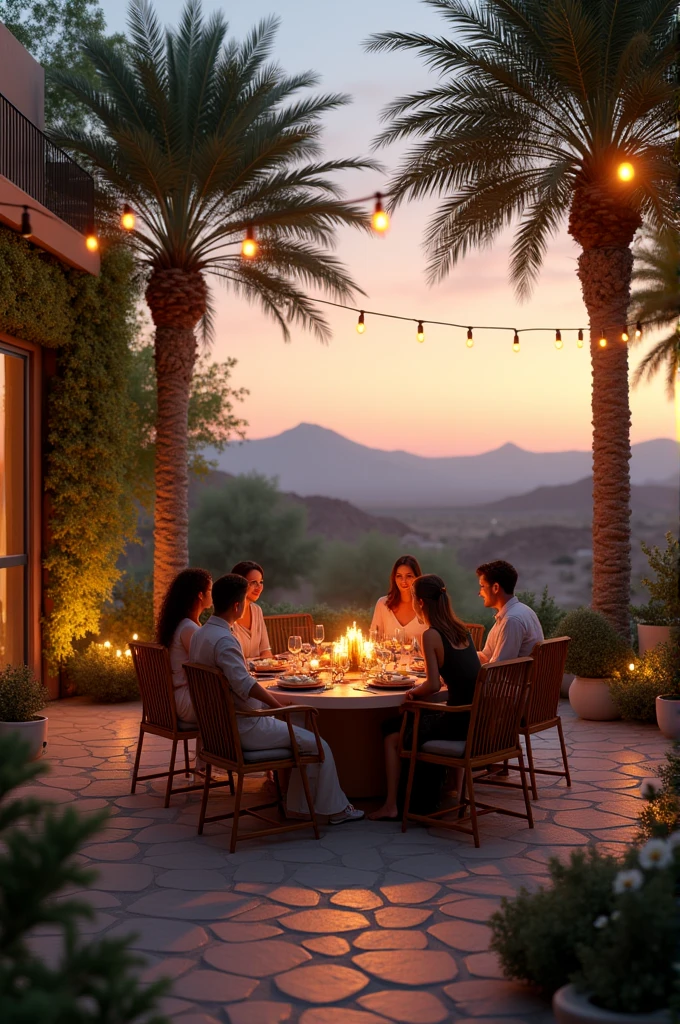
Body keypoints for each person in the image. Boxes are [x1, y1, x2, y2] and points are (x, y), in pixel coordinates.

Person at [189, 573, 364, 824]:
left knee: (300, 722)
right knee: (319, 745)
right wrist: (277, 706)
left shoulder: (201, 634)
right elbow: (245, 684)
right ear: (237, 606)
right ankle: (333, 810)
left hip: (217, 729)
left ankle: (299, 804)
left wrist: (281, 708)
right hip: (244, 727)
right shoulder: (225, 640)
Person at [369, 574, 480, 821]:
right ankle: (454, 788)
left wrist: (410, 694)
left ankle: (390, 805)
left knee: (390, 731)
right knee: (415, 717)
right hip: (474, 718)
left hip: (457, 723)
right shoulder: (462, 630)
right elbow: (456, 680)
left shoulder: (431, 634)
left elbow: (430, 685)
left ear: (420, 602)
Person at [156, 567, 213, 725]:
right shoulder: (189, 628)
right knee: (240, 703)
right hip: (188, 702)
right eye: (210, 590)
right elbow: (207, 665)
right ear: (200, 595)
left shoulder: (183, 624)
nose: (213, 595)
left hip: (182, 697)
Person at [476, 560, 543, 664]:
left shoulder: (511, 620)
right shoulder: (522, 611)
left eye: (482, 586)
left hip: (511, 680)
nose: (479, 593)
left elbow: (499, 668)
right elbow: (486, 656)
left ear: (495, 588)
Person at [370, 555, 426, 641]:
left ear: (417, 578)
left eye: (409, 576)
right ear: (394, 578)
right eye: (399, 576)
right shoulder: (383, 604)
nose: (403, 581)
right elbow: (374, 640)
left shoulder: (427, 606)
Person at [231, 560, 273, 660]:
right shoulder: (228, 614)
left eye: (261, 582)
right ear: (239, 583)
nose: (259, 587)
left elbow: (266, 651)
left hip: (261, 673)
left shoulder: (257, 610)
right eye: (253, 583)